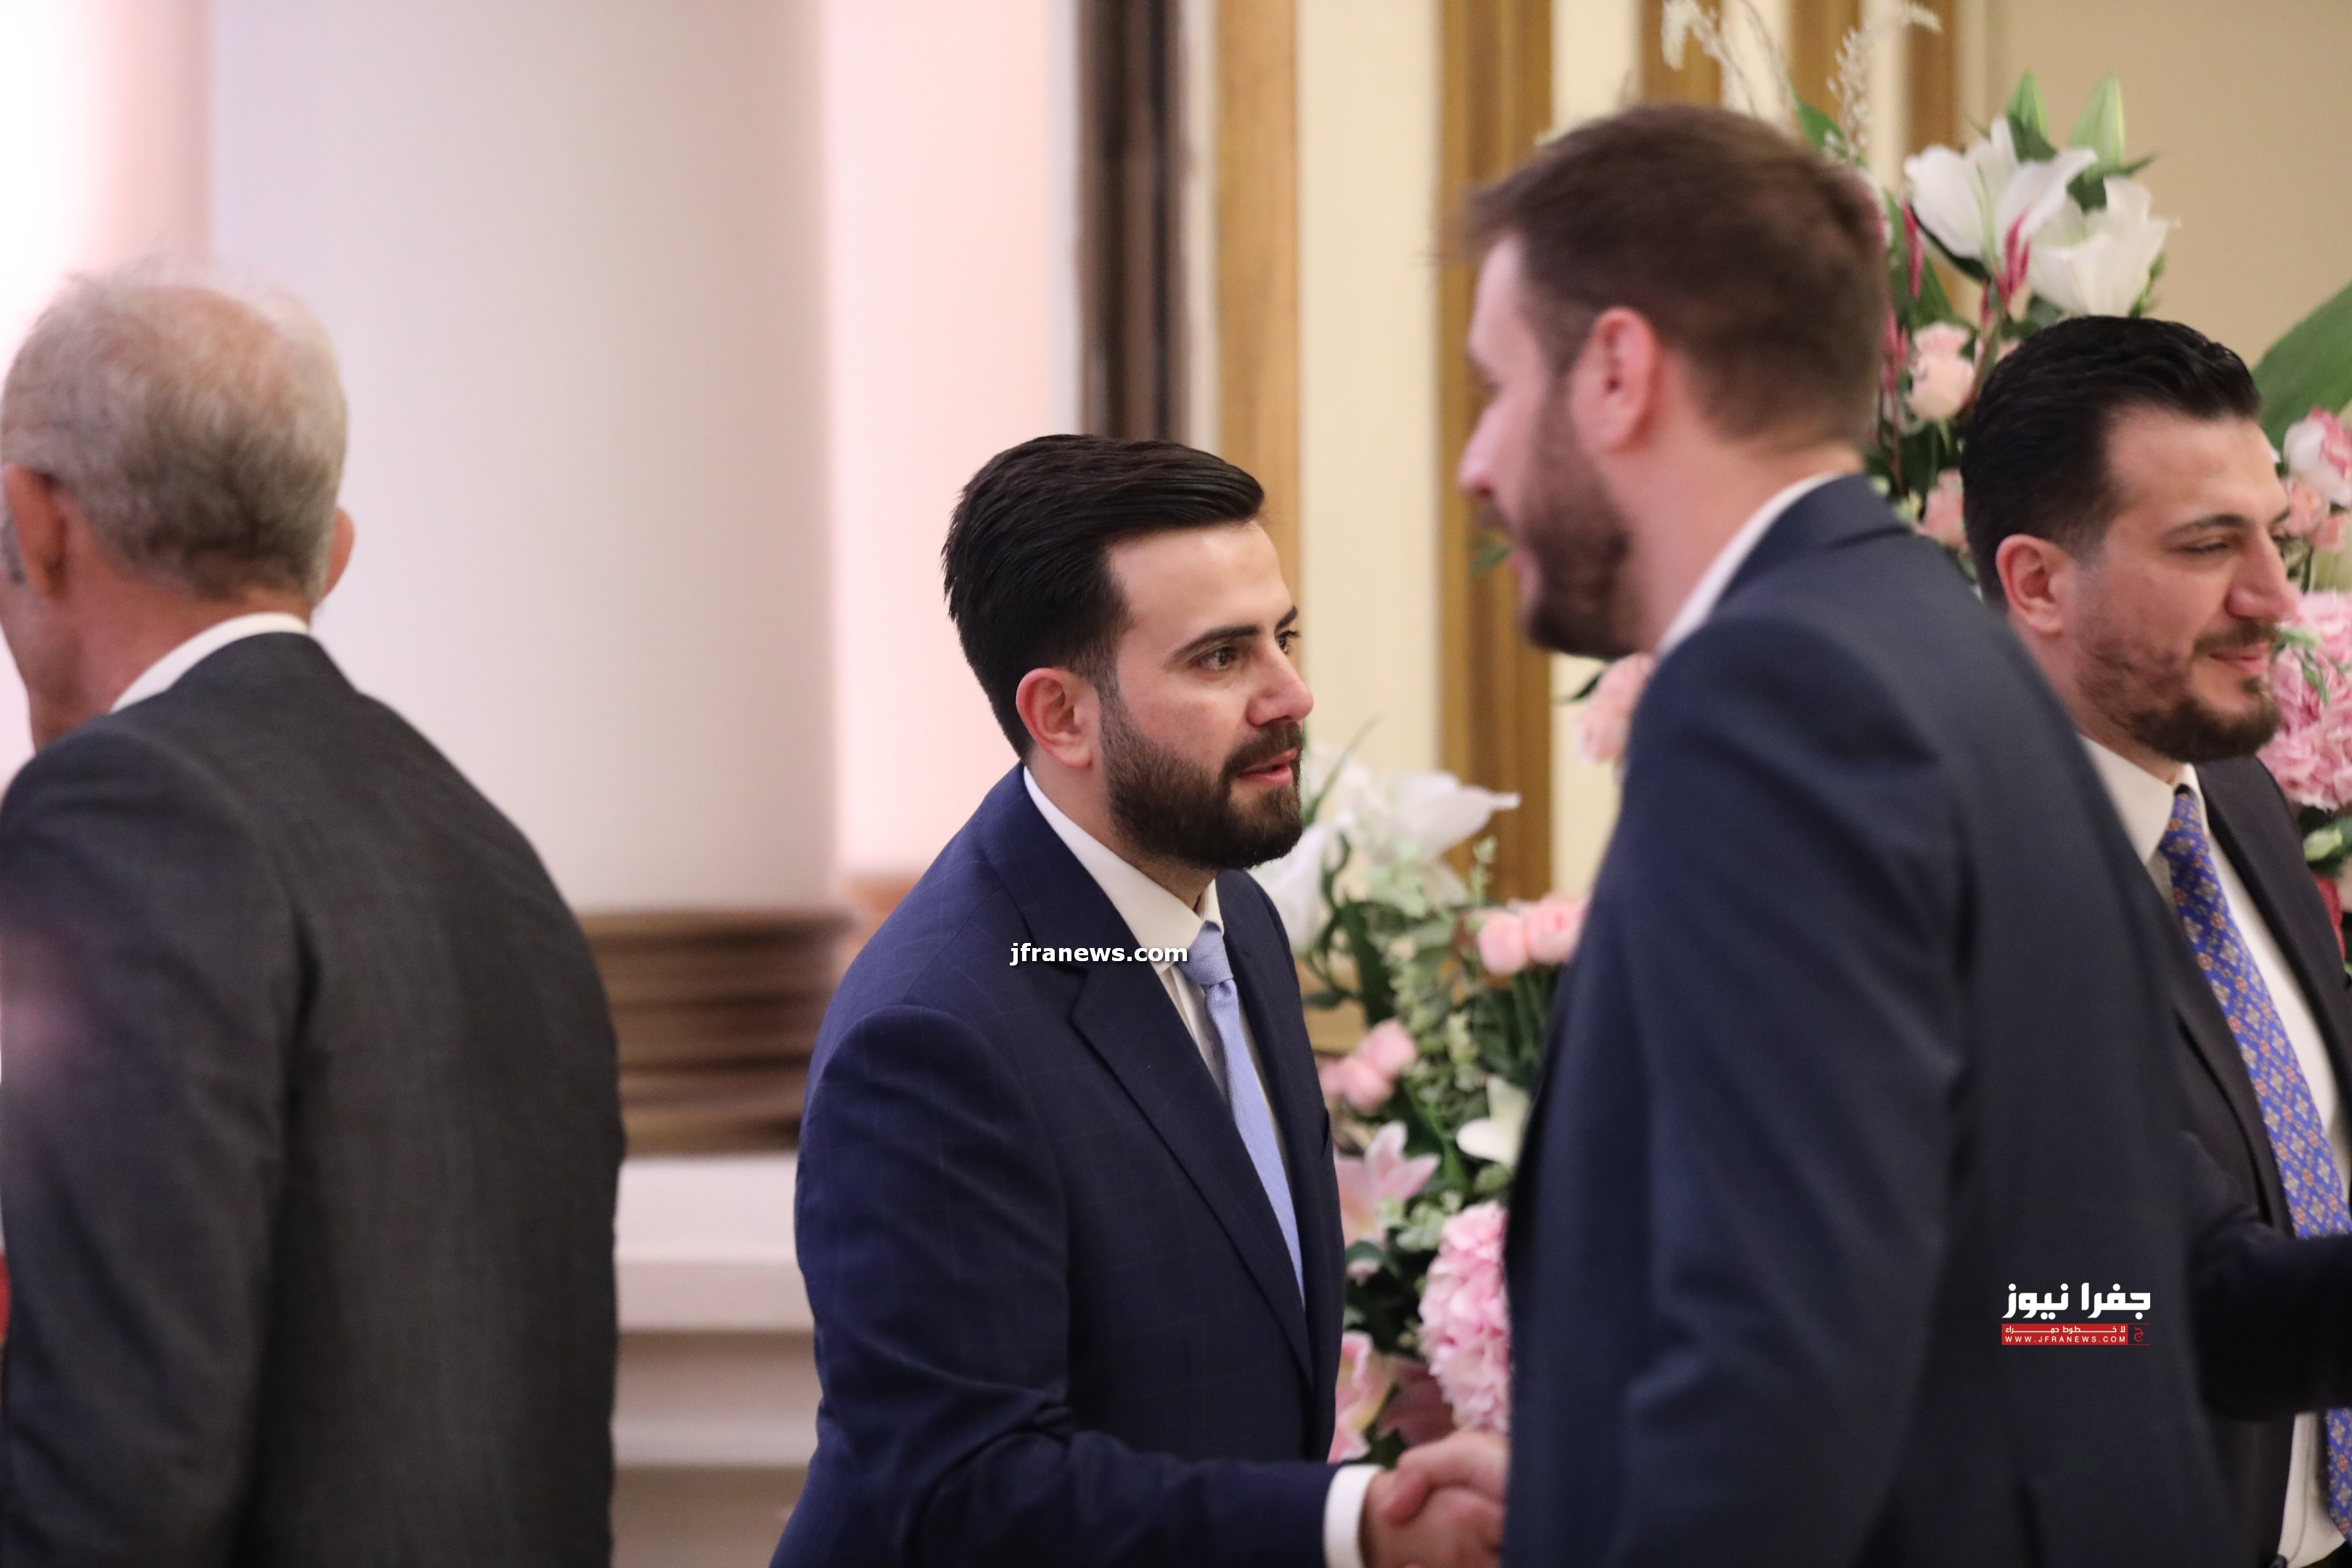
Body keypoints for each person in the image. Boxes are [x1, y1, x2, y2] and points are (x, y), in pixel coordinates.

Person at [1458, 103, 2352, 1566]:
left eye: (1497, 386)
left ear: (1617, 369)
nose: (1480, 462)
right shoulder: (1944, 657)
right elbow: (2061, 1289)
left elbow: (1779, 1354)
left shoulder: (1776, 689)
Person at [775, 434, 1504, 1568]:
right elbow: (969, 1492)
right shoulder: (930, 1038)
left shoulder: (1234, 915)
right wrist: (1350, 1528)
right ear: (1061, 715)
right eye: (1220, 658)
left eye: (1283, 637)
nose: (1291, 694)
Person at [0, 264, 623, 1564]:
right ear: (330, 553)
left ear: (38, 522)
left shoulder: (121, 809)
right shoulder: (486, 846)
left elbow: (124, 1463)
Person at [1968, 314, 2352, 1568]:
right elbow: (2097, 1314)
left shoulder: (2229, 784)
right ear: (2037, 583)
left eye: (2274, 535)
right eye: (2207, 545)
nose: (2276, 598)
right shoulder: (1953, 895)